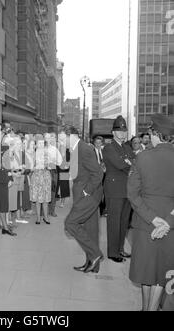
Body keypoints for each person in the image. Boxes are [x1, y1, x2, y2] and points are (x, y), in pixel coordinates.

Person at [127, 114, 174, 311]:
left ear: (155, 134)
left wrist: (153, 219)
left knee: (146, 271)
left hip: (145, 223)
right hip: (170, 227)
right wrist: (167, 222)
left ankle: (146, 308)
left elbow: (132, 194)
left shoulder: (143, 157)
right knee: (161, 274)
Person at [65, 126, 104, 274]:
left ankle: (95, 254)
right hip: (85, 194)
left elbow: (98, 173)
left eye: (63, 138)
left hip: (88, 195)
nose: (62, 141)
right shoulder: (77, 148)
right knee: (91, 230)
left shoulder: (84, 149)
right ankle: (91, 264)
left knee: (70, 223)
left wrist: (87, 190)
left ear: (72, 136)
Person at [102, 116, 134, 263]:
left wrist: (128, 163)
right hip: (114, 190)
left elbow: (133, 163)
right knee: (114, 221)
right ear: (113, 132)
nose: (122, 133)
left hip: (127, 189)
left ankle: (120, 248)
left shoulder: (127, 147)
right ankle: (113, 252)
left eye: (124, 131)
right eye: (119, 131)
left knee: (124, 221)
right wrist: (128, 163)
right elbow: (120, 164)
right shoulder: (108, 147)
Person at [30, 134, 52, 225]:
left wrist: (47, 165)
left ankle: (46, 217)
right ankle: (38, 218)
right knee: (38, 199)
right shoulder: (33, 152)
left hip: (46, 176)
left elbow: (52, 165)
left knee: (45, 198)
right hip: (37, 177)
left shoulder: (48, 152)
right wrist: (34, 167)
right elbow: (30, 167)